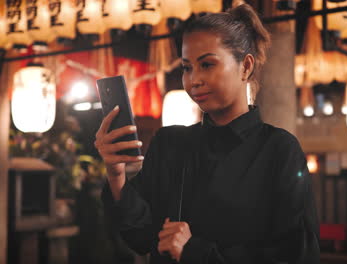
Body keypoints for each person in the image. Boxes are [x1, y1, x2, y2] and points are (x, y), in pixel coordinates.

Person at [95, 4, 320, 264]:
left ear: (245, 66)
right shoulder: (170, 143)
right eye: (187, 68)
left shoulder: (278, 149)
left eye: (207, 64)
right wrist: (116, 173)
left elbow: (297, 255)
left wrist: (194, 252)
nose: (194, 80)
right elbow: (141, 237)